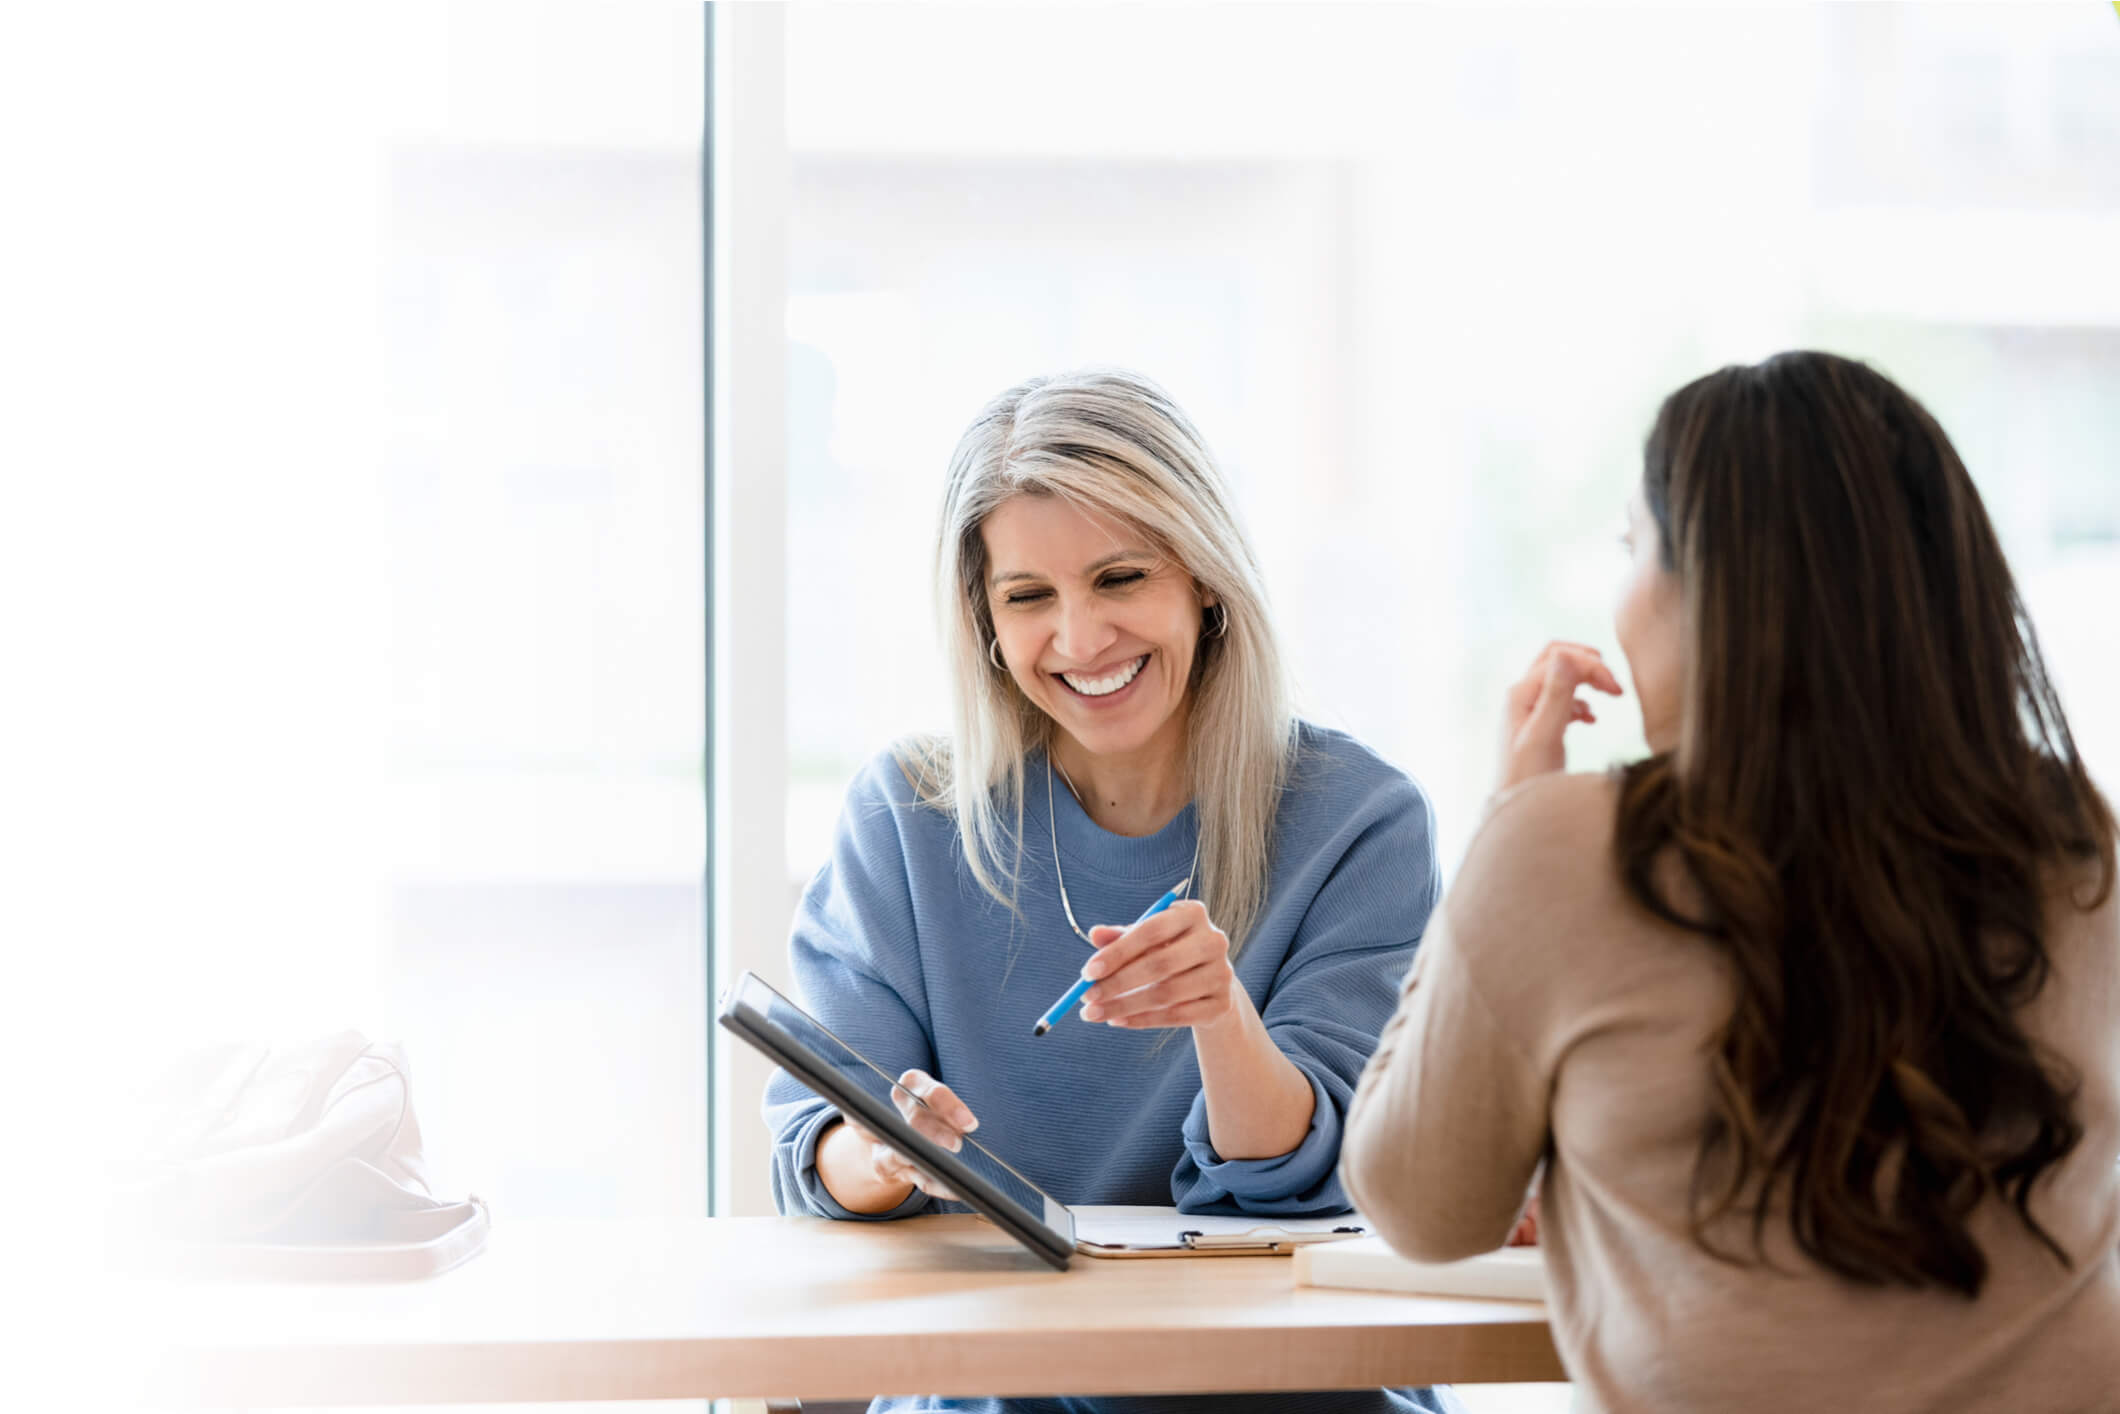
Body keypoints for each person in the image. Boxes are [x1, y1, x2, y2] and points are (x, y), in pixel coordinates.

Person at [1342, 351, 2120, 1413]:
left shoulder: (1565, 850)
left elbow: (1421, 1208)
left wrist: (1500, 831)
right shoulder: (2075, 841)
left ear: (1709, 588)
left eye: (1632, 546)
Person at [765, 368, 1460, 1414]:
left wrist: (1221, 1015)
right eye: (1028, 597)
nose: (1081, 640)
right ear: (983, 624)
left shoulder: (1357, 820)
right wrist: (882, 1148)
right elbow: (810, 1152)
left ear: (1203, 578)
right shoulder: (905, 817)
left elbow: (1320, 1180)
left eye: (1121, 577)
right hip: (993, 1396)